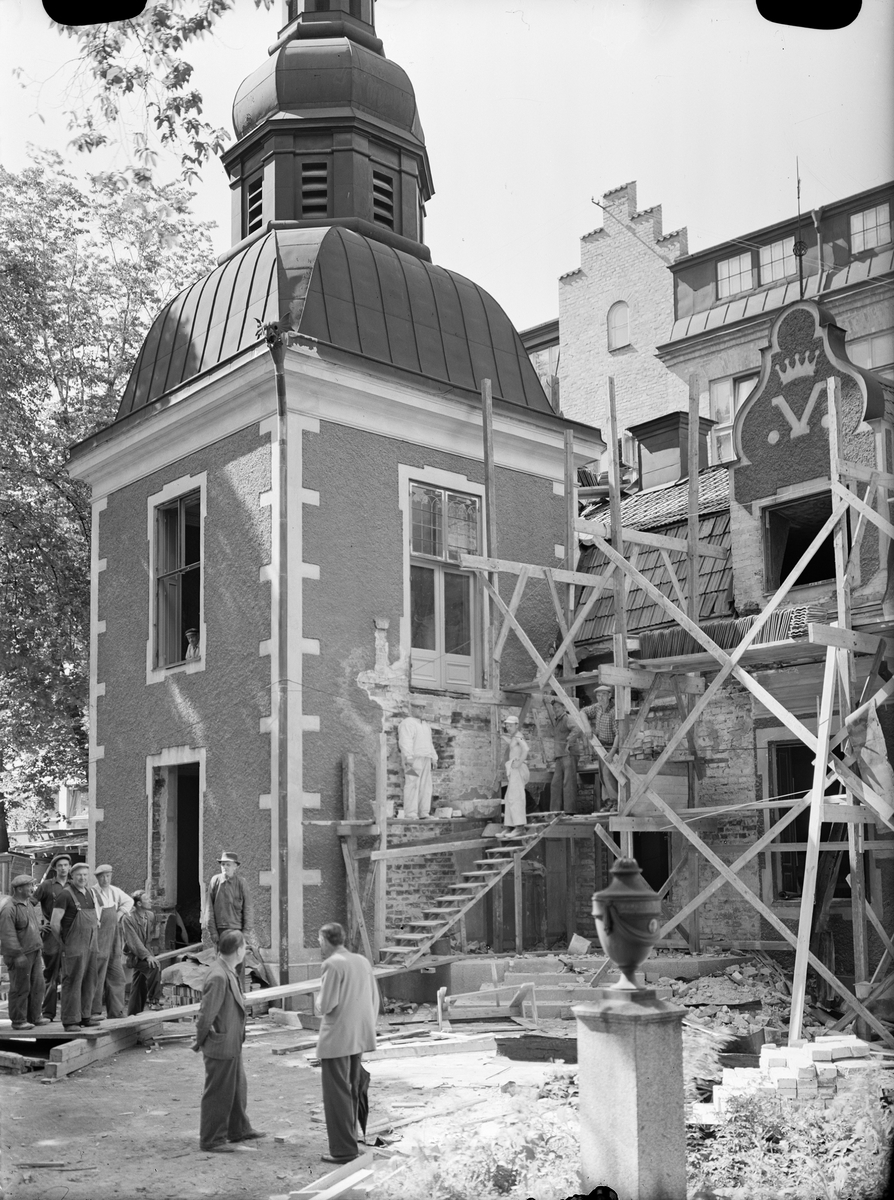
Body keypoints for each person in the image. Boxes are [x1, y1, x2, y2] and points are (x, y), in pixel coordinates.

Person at [192, 929, 267, 1153]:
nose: (246, 951)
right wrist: (201, 1041)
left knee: (236, 1087)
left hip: (231, 1040)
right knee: (219, 1092)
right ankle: (212, 1139)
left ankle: (238, 1129)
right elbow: (206, 1015)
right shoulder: (218, 975)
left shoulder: (227, 969)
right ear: (238, 951)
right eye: (244, 947)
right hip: (220, 1043)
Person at [316, 922, 379, 1164]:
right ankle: (350, 1143)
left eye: (320, 941)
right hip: (359, 1035)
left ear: (325, 941)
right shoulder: (361, 961)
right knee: (351, 1090)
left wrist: (317, 1000)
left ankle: (343, 1150)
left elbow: (326, 1004)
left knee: (337, 1095)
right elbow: (374, 998)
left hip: (337, 1038)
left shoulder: (332, 964)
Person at [49, 861, 101, 1032]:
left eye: (85, 875)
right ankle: (70, 1021)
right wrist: (64, 943)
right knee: (72, 982)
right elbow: (54, 923)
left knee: (89, 980)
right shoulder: (65, 895)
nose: (82, 878)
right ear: (72, 876)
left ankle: (85, 1016)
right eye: (79, 875)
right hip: (73, 946)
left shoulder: (90, 893)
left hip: (91, 945)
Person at [0, 874, 48, 1030]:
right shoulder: (9, 909)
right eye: (29, 886)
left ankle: (34, 1017)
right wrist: (17, 955)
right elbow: (7, 935)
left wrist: (38, 929)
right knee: (20, 988)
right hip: (20, 955)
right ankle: (19, 1020)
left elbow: (27, 925)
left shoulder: (27, 904)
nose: (32, 889)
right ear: (19, 889)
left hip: (34, 951)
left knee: (37, 986)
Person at [204, 852, 256, 991]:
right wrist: (213, 932)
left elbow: (248, 909)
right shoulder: (215, 881)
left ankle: (239, 995)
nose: (225, 867)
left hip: (237, 930)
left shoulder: (241, 883)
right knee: (222, 965)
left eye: (228, 864)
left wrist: (245, 933)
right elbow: (209, 909)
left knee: (239, 966)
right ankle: (223, 995)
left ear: (235, 867)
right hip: (221, 931)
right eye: (223, 864)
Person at [31, 853, 72, 1022]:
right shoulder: (47, 885)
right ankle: (48, 1013)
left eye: (66, 865)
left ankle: (71, 1013)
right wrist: (37, 926)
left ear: (70, 867)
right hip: (51, 935)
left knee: (71, 974)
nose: (63, 868)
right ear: (55, 868)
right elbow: (28, 905)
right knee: (51, 974)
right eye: (60, 865)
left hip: (71, 934)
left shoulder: (73, 885)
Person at [91, 864, 133, 1020]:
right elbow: (94, 916)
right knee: (97, 975)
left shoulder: (115, 891)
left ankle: (116, 1012)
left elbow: (129, 901)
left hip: (114, 939)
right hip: (99, 938)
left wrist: (120, 913)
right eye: (102, 876)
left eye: (108, 876)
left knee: (117, 975)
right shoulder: (93, 893)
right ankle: (94, 1012)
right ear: (97, 878)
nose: (105, 879)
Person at [122, 890, 163, 1014]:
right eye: (146, 899)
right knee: (153, 967)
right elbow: (133, 941)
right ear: (139, 904)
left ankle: (133, 1013)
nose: (150, 901)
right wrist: (147, 956)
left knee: (139, 983)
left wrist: (150, 954)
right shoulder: (128, 918)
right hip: (134, 955)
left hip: (146, 952)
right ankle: (154, 1001)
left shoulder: (150, 915)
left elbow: (148, 938)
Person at [581, 685, 620, 810]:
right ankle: (608, 803)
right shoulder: (597, 708)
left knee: (608, 774)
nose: (600, 698)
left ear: (609, 695)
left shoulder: (614, 711)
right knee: (602, 776)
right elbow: (582, 712)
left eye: (603, 695)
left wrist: (612, 753)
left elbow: (619, 734)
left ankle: (617, 802)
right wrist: (587, 727)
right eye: (598, 695)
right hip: (601, 747)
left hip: (612, 747)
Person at [397, 704, 438, 819]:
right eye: (418, 707)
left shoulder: (425, 725)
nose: (421, 710)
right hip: (413, 759)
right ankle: (411, 813)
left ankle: (423, 812)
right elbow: (405, 740)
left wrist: (434, 757)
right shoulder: (407, 723)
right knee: (412, 784)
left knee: (426, 786)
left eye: (423, 708)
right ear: (412, 708)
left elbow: (429, 743)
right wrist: (408, 756)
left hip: (425, 758)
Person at [549, 698, 584, 815]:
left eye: (558, 707)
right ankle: (555, 812)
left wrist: (569, 742)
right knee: (555, 784)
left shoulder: (567, 718)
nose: (556, 710)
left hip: (569, 754)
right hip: (560, 756)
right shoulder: (557, 720)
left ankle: (570, 811)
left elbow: (577, 729)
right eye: (554, 708)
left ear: (564, 708)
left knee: (568, 783)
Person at [500, 715, 530, 838]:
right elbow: (513, 744)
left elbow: (526, 749)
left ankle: (520, 827)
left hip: (518, 769)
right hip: (513, 770)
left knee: (516, 797)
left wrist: (520, 762)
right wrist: (502, 736)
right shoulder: (514, 737)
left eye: (511, 725)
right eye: (507, 726)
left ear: (516, 725)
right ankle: (510, 826)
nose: (508, 728)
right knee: (509, 798)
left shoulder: (518, 735)